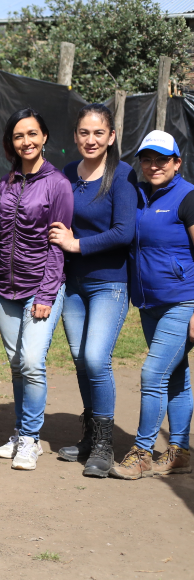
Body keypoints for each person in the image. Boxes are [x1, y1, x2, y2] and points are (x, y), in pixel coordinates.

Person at [47, 104, 138, 477]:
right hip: (73, 285)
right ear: (75, 136)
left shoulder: (123, 176)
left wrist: (77, 245)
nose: (91, 139)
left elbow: (124, 232)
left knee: (97, 358)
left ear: (111, 137)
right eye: (84, 132)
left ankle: (104, 444)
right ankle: (89, 438)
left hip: (110, 283)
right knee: (80, 359)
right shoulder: (67, 174)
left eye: (99, 133)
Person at [0, 108, 73, 471]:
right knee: (16, 365)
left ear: (44, 138)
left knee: (31, 361)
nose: (26, 141)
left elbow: (58, 244)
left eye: (32, 134)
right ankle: (21, 432)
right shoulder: (6, 182)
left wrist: (46, 294)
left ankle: (30, 440)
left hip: (41, 287)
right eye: (19, 136)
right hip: (3, 288)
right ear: (12, 142)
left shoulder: (57, 184)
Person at [110, 131, 194, 480]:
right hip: (149, 303)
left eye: (162, 159)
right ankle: (180, 450)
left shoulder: (188, 196)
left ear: (177, 162)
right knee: (176, 376)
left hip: (183, 301)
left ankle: (142, 452)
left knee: (152, 373)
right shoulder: (139, 194)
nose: (154, 165)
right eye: (147, 159)